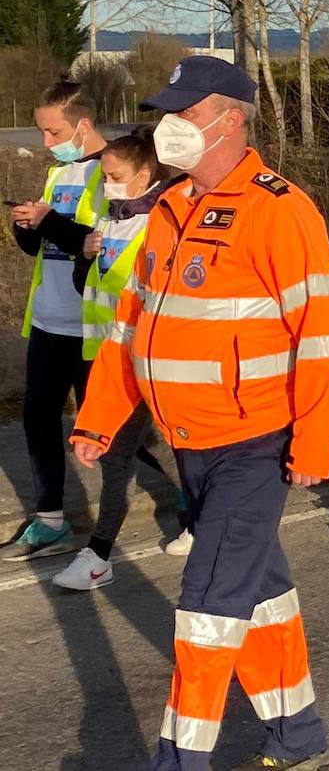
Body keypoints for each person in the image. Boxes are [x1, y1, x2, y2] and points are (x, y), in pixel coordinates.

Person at [70, 56, 329, 771]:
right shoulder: (167, 208)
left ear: (231, 119)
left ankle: (178, 761)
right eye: (167, 113)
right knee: (259, 595)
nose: (169, 128)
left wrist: (315, 443)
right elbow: (131, 328)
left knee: (205, 607)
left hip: (253, 444)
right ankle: (298, 732)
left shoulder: (280, 208)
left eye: (185, 115)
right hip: (190, 442)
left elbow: (320, 338)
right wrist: (99, 418)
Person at [51, 128, 188, 590]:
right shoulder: (112, 220)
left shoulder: (159, 224)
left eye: (114, 176)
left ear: (145, 174)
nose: (106, 183)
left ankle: (98, 554)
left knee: (115, 454)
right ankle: (197, 512)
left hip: (142, 360)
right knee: (150, 445)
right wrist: (84, 258)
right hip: (104, 356)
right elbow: (87, 289)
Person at [1, 80, 107, 562]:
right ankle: (49, 522)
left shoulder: (112, 172)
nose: (46, 141)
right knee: (38, 419)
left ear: (82, 126)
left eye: (52, 131)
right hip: (48, 320)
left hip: (92, 326)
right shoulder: (57, 174)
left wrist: (50, 222)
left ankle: (181, 498)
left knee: (107, 429)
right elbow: (46, 245)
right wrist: (24, 226)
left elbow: (99, 242)